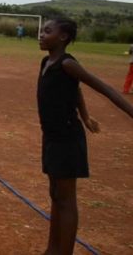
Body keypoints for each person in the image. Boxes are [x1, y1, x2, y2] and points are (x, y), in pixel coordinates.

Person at [36, 18, 133, 254]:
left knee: (66, 200)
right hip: (51, 136)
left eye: (47, 31)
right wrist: (87, 116)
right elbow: (75, 90)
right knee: (55, 194)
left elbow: (104, 88)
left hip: (68, 139)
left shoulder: (68, 64)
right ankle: (52, 249)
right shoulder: (46, 61)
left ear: (63, 37)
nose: (41, 34)